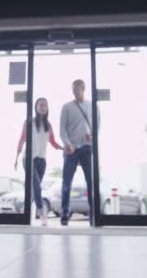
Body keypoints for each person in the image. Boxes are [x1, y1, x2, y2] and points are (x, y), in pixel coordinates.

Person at [15, 97, 63, 226]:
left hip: (42, 161)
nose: (42, 107)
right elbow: (21, 139)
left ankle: (24, 209)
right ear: (36, 107)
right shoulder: (29, 122)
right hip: (28, 159)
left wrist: (63, 148)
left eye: (44, 105)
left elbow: (52, 142)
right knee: (37, 186)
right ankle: (41, 213)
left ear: (47, 108)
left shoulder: (49, 125)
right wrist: (16, 157)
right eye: (40, 105)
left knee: (33, 189)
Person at [59, 79, 99, 226]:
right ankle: (64, 213)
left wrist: (92, 135)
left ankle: (94, 214)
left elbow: (97, 127)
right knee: (66, 183)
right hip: (71, 150)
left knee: (91, 182)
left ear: (83, 88)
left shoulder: (92, 106)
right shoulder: (67, 107)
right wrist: (68, 145)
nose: (75, 92)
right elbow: (62, 129)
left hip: (87, 148)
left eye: (77, 89)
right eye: (73, 89)